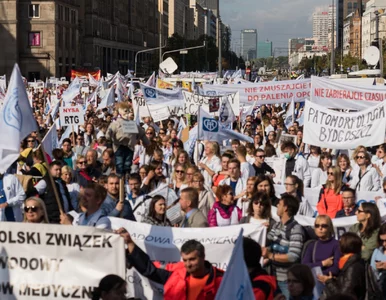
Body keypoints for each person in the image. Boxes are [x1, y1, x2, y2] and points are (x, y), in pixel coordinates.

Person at [118, 230, 224, 300]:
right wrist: (130, 243)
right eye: (185, 260)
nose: (188, 264)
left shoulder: (222, 280)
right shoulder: (176, 274)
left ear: (203, 256)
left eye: (192, 259)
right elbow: (150, 270)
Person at [263, 194, 305, 299]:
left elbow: (293, 256)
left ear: (285, 208)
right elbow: (268, 241)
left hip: (287, 281)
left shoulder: (296, 229)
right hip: (273, 276)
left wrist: (270, 256)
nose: (277, 205)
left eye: (280, 204)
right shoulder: (277, 225)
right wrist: (261, 230)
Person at [318, 232, 366, 300]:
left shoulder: (353, 267)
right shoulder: (348, 263)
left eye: (340, 243)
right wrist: (333, 280)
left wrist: (329, 281)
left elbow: (345, 295)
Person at [370, 223, 386, 296]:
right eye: (382, 241)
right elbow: (372, 271)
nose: (384, 244)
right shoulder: (377, 251)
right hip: (379, 290)